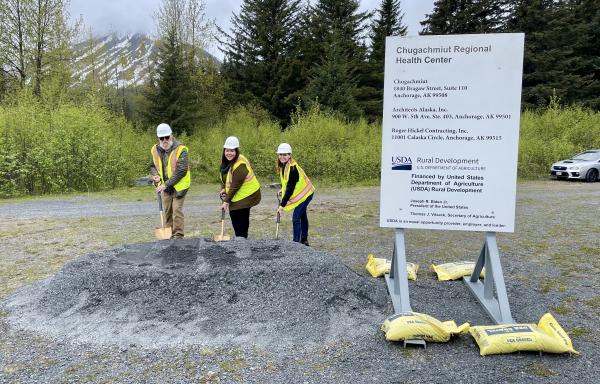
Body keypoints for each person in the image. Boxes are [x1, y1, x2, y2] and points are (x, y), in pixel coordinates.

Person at [150, 123, 191, 239]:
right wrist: (155, 175)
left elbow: (181, 171)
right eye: (161, 138)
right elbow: (152, 165)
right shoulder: (155, 150)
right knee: (167, 210)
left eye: (167, 137)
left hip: (180, 186)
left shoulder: (181, 150)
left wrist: (165, 184)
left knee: (177, 210)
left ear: (171, 136)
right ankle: (168, 235)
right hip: (166, 187)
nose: (164, 140)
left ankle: (178, 236)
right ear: (158, 138)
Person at [219, 136, 261, 238]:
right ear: (224, 151)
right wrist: (224, 188)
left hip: (248, 194)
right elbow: (225, 177)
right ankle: (241, 238)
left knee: (239, 215)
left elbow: (234, 186)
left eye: (232, 151)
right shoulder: (226, 163)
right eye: (227, 150)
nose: (229, 153)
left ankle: (241, 238)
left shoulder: (240, 165)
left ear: (236, 151)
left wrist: (226, 201)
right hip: (239, 194)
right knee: (235, 214)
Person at [276, 143, 315, 245]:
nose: (282, 157)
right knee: (302, 216)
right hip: (302, 194)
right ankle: (304, 240)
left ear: (290, 155)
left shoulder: (293, 169)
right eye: (280, 154)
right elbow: (286, 183)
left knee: (296, 217)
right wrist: (281, 189)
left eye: (285, 154)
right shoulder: (284, 166)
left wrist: (282, 206)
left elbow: (290, 189)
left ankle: (296, 243)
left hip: (306, 194)